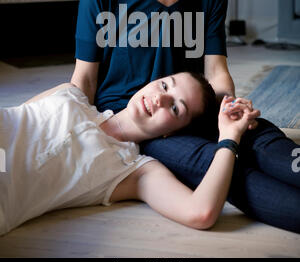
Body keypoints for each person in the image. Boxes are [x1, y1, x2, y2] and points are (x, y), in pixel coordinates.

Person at [71, 0, 300, 234]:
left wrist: (230, 110)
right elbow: (84, 80)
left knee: (263, 138)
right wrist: (80, 135)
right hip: (140, 123)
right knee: (227, 165)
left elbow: (216, 70)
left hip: (193, 107)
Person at [0, 72, 259, 236]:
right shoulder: (69, 93)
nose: (159, 99)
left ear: (174, 132)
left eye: (176, 108)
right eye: (164, 85)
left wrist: (229, 137)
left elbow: (200, 212)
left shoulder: (136, 171)